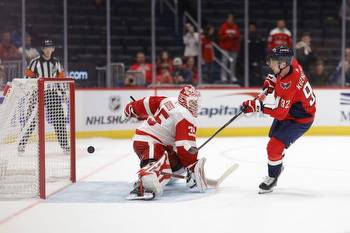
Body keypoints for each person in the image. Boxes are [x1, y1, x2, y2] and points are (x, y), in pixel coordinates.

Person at [241, 46, 316, 194]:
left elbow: (280, 113)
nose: (270, 64)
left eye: (274, 62)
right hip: (292, 110)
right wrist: (272, 81)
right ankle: (277, 162)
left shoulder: (289, 85)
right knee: (273, 139)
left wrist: (257, 106)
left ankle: (273, 177)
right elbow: (279, 79)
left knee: (273, 147)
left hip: (300, 119)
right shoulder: (292, 64)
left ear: (283, 64)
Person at [123, 85, 207, 199]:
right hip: (148, 142)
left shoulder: (169, 100)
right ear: (184, 100)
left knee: (179, 165)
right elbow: (184, 146)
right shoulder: (185, 116)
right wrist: (192, 166)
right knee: (161, 153)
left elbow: (147, 103)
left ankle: (164, 172)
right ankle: (146, 180)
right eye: (193, 102)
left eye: (196, 103)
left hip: (147, 141)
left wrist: (131, 108)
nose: (195, 106)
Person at [18, 39, 70, 153]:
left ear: (53, 49)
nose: (48, 49)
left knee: (59, 120)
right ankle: (21, 144)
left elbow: (60, 80)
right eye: (46, 47)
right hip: (37, 94)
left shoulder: (56, 63)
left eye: (50, 47)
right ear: (42, 49)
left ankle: (65, 145)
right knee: (30, 120)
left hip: (52, 94)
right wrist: (29, 93)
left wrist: (64, 94)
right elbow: (28, 78)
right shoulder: (34, 62)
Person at [218, 13, 241, 83]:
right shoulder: (223, 26)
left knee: (233, 63)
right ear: (227, 19)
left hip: (234, 48)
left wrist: (234, 35)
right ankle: (223, 77)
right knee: (224, 62)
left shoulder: (235, 26)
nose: (231, 19)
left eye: (232, 18)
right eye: (229, 18)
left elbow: (238, 35)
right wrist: (227, 36)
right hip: (225, 48)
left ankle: (232, 76)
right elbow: (220, 36)